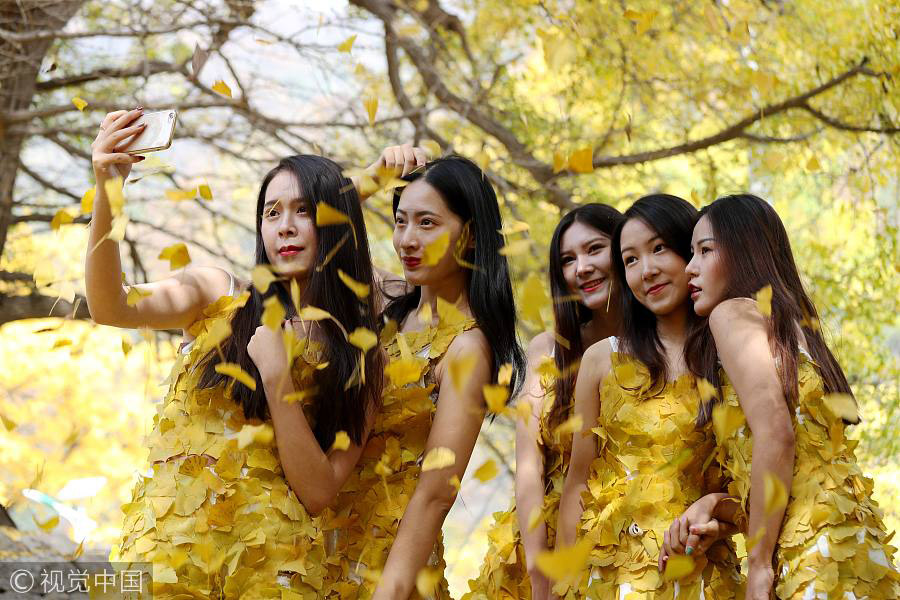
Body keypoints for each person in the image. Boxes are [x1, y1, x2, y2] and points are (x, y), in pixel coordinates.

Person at [87, 108, 383, 597]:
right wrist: (108, 188)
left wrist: (279, 381)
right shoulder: (215, 292)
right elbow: (111, 305)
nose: (285, 227)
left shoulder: (359, 353)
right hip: (166, 562)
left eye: (305, 211)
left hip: (272, 574)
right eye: (272, 213)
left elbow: (320, 492)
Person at [660, 193, 900, 599]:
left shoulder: (730, 314)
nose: (690, 268)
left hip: (812, 558)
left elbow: (776, 433)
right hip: (855, 547)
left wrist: (757, 567)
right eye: (690, 253)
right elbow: (797, 470)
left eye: (705, 251)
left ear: (743, 253)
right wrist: (716, 504)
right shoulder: (793, 329)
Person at [320, 150, 526, 599]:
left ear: (470, 234)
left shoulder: (468, 348)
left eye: (427, 223)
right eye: (400, 221)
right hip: (322, 553)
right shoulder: (391, 301)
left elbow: (435, 495)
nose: (407, 240)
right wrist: (373, 178)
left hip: (389, 572)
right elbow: (310, 237)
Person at [556, 194, 739, 599]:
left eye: (658, 249)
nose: (647, 271)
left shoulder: (731, 358)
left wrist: (711, 507)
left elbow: (748, 488)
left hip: (700, 578)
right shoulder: (601, 359)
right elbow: (577, 485)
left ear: (689, 252)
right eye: (631, 260)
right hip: (606, 579)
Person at [464, 204, 624, 600]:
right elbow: (529, 465)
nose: (581, 268)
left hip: (628, 544)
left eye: (594, 249)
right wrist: (540, 575)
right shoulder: (548, 350)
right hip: (543, 545)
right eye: (568, 260)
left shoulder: (665, 346)